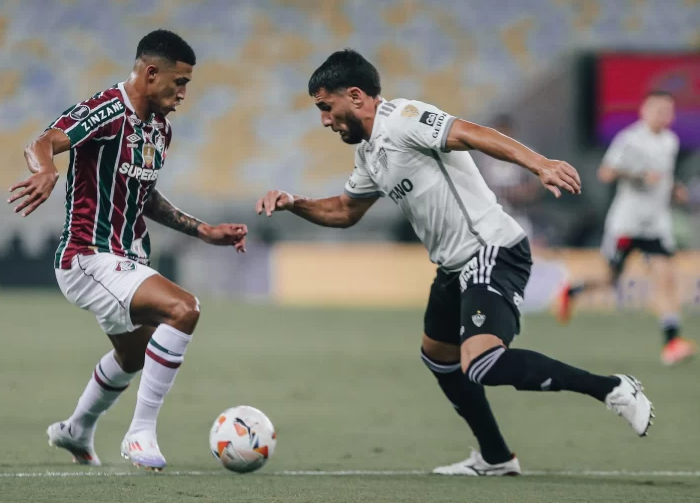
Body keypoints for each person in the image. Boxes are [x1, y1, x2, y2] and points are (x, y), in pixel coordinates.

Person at [256, 50, 653, 476]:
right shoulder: (370, 153)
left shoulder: (404, 118)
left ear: (355, 96)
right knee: (439, 357)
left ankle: (612, 388)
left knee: (482, 363)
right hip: (453, 266)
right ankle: (496, 458)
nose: (324, 120)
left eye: (325, 107)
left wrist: (541, 164)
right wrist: (293, 203)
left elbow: (470, 132)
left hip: (490, 250)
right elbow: (344, 211)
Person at [8, 30, 248, 471]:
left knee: (134, 355)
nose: (183, 94)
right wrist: (45, 170)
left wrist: (203, 231)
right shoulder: (105, 110)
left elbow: (147, 196)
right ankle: (139, 434)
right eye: (179, 82)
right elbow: (42, 142)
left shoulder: (160, 129)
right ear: (151, 72)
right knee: (184, 309)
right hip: (87, 256)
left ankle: (76, 430)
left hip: (126, 260)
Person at [556, 91, 696, 366]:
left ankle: (672, 343)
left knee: (665, 278)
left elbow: (663, 177)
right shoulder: (630, 139)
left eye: (667, 111)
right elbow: (606, 172)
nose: (663, 116)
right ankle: (573, 290)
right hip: (627, 223)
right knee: (611, 280)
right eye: (657, 110)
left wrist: (674, 188)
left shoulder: (670, 141)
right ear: (644, 111)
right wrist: (640, 175)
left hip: (656, 224)